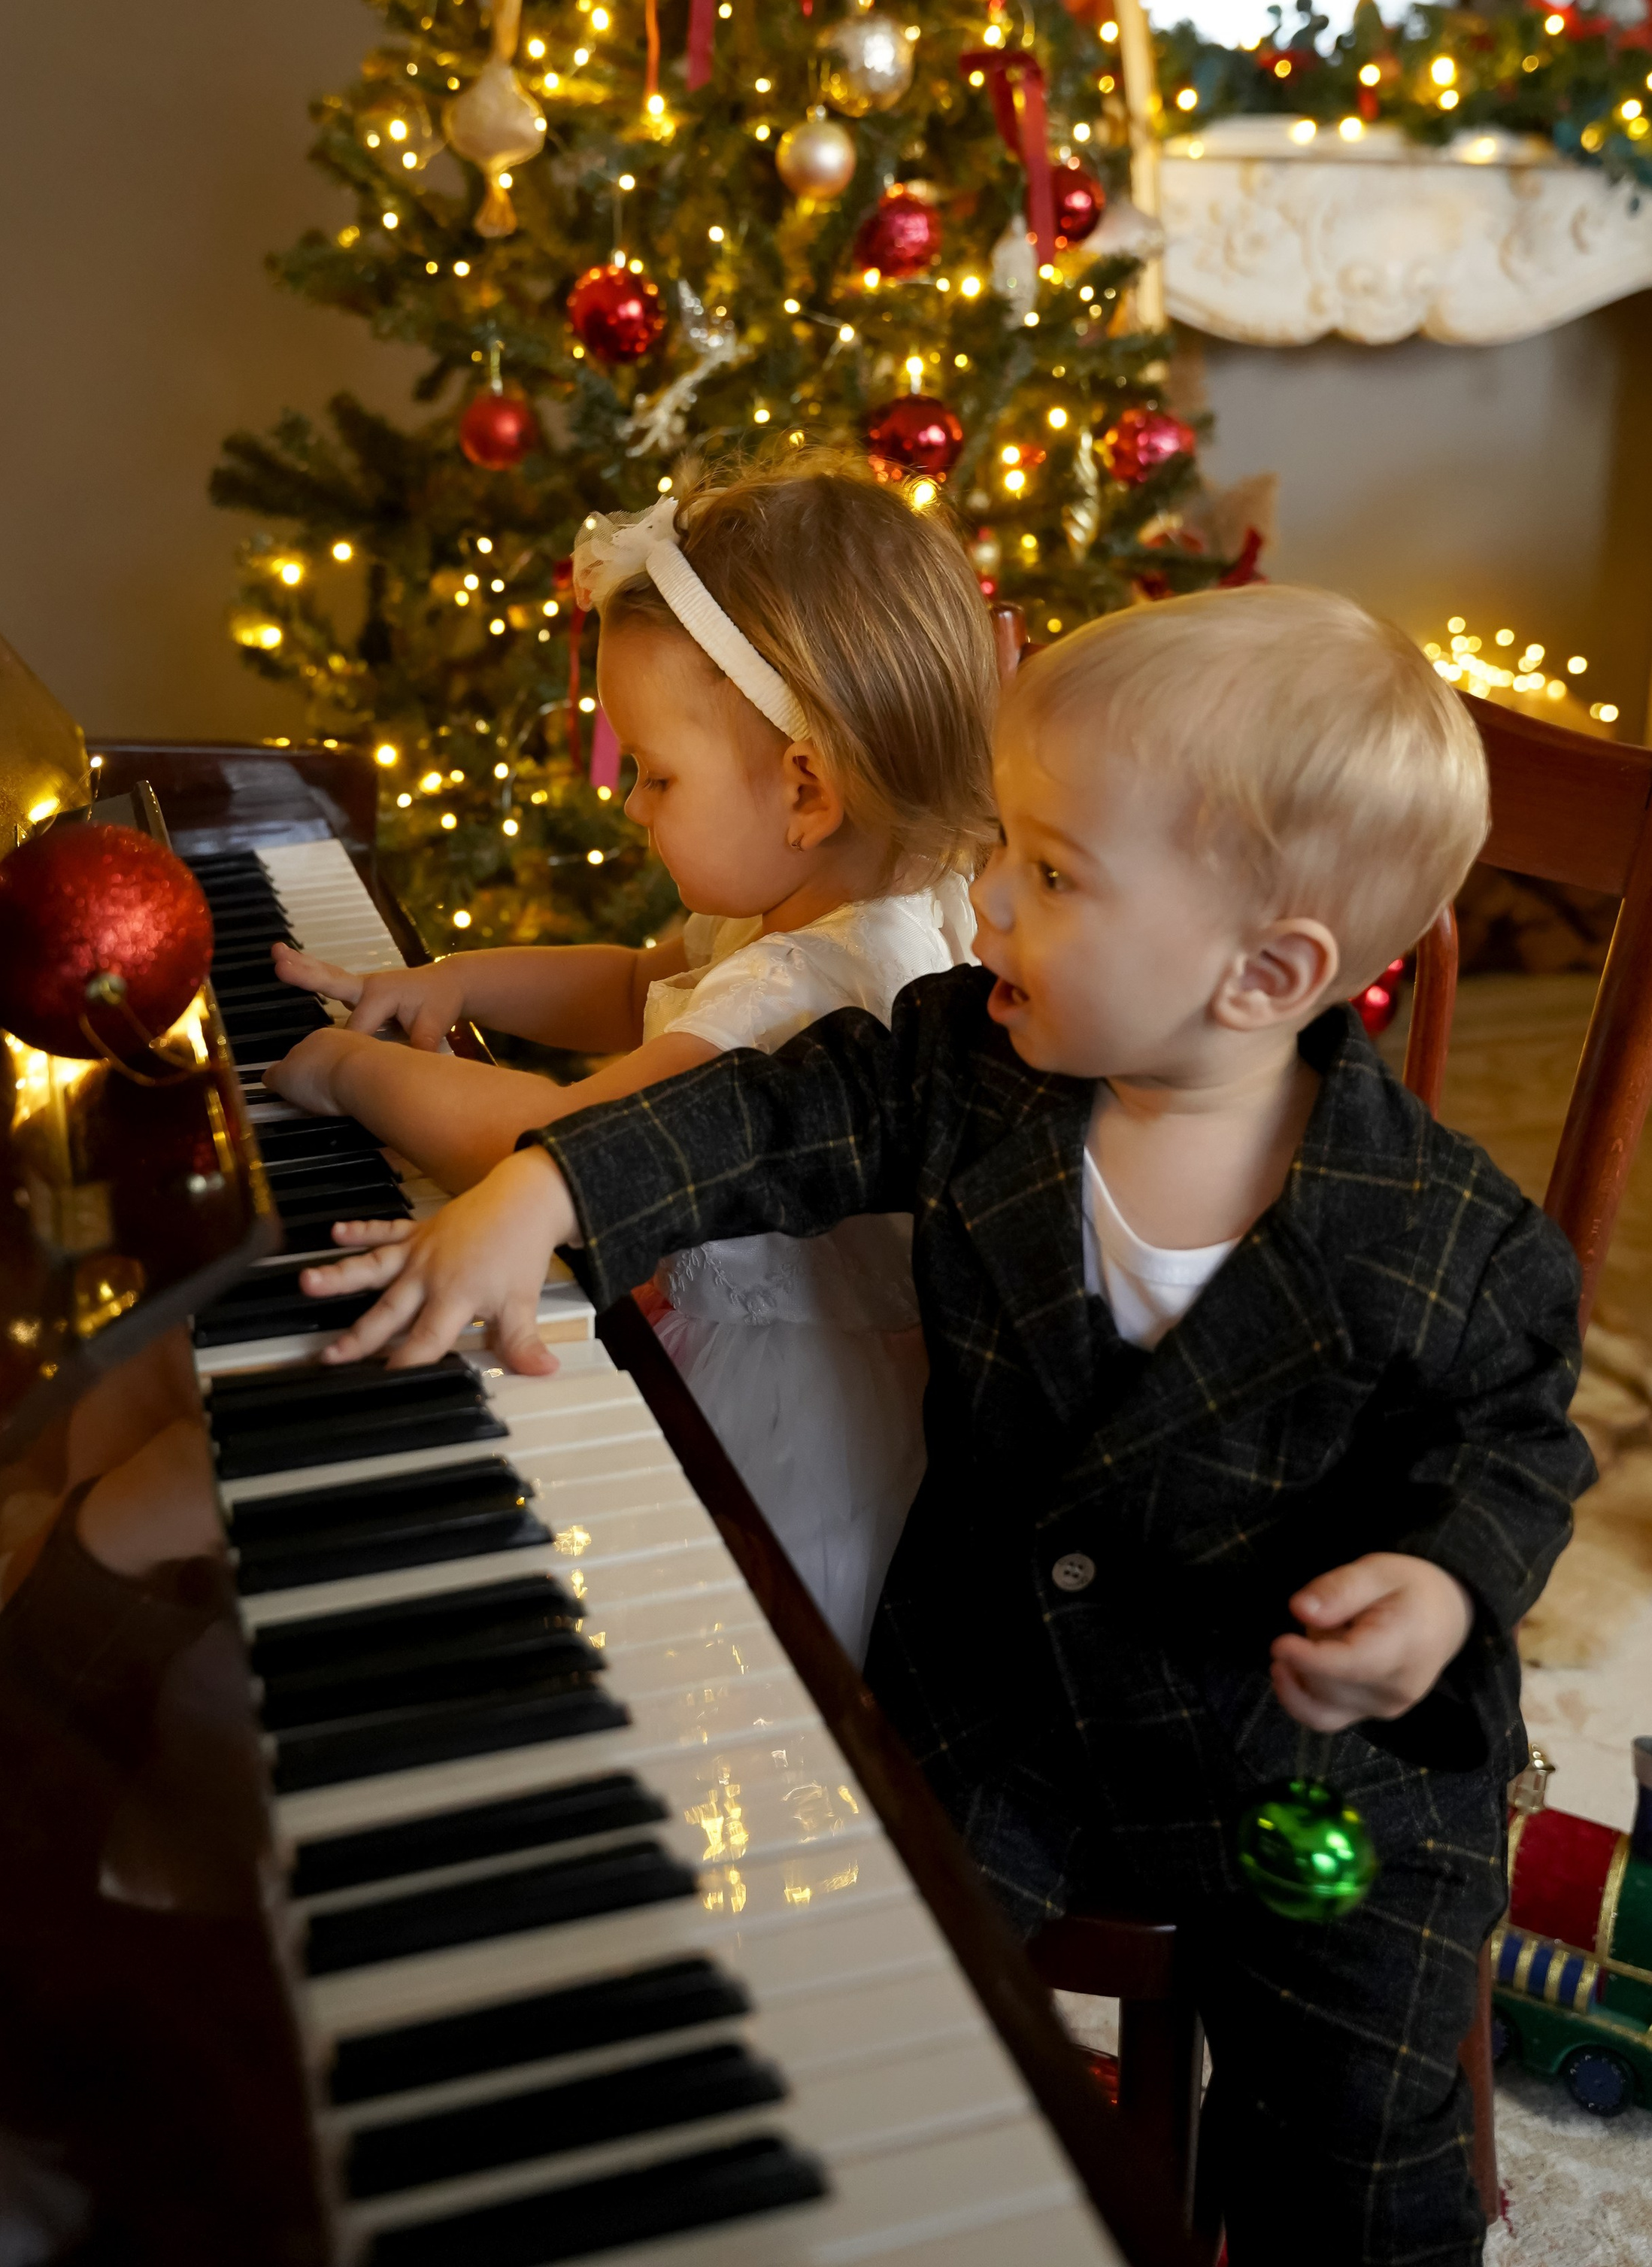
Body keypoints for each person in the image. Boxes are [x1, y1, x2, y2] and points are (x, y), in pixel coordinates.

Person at [289, 581, 1595, 2267]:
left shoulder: (1444, 1236)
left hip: (1316, 1780)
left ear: (1266, 973)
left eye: (1049, 876)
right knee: (839, 2011)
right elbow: (762, 1114)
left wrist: (1434, 1587)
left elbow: (1512, 1445)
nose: (979, 903)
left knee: (1362, 2143)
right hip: (1000, 1711)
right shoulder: (967, 1070)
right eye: (1006, 848)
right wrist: (545, 1185)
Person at [264, 461, 995, 1662]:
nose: (633, 805)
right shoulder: (840, 905)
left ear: (805, 786)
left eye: (655, 773)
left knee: (657, 1656)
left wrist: (355, 1076)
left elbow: (568, 1146)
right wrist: (460, 978)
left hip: (775, 1447)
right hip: (782, 1363)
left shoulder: (813, 982)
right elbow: (628, 985)